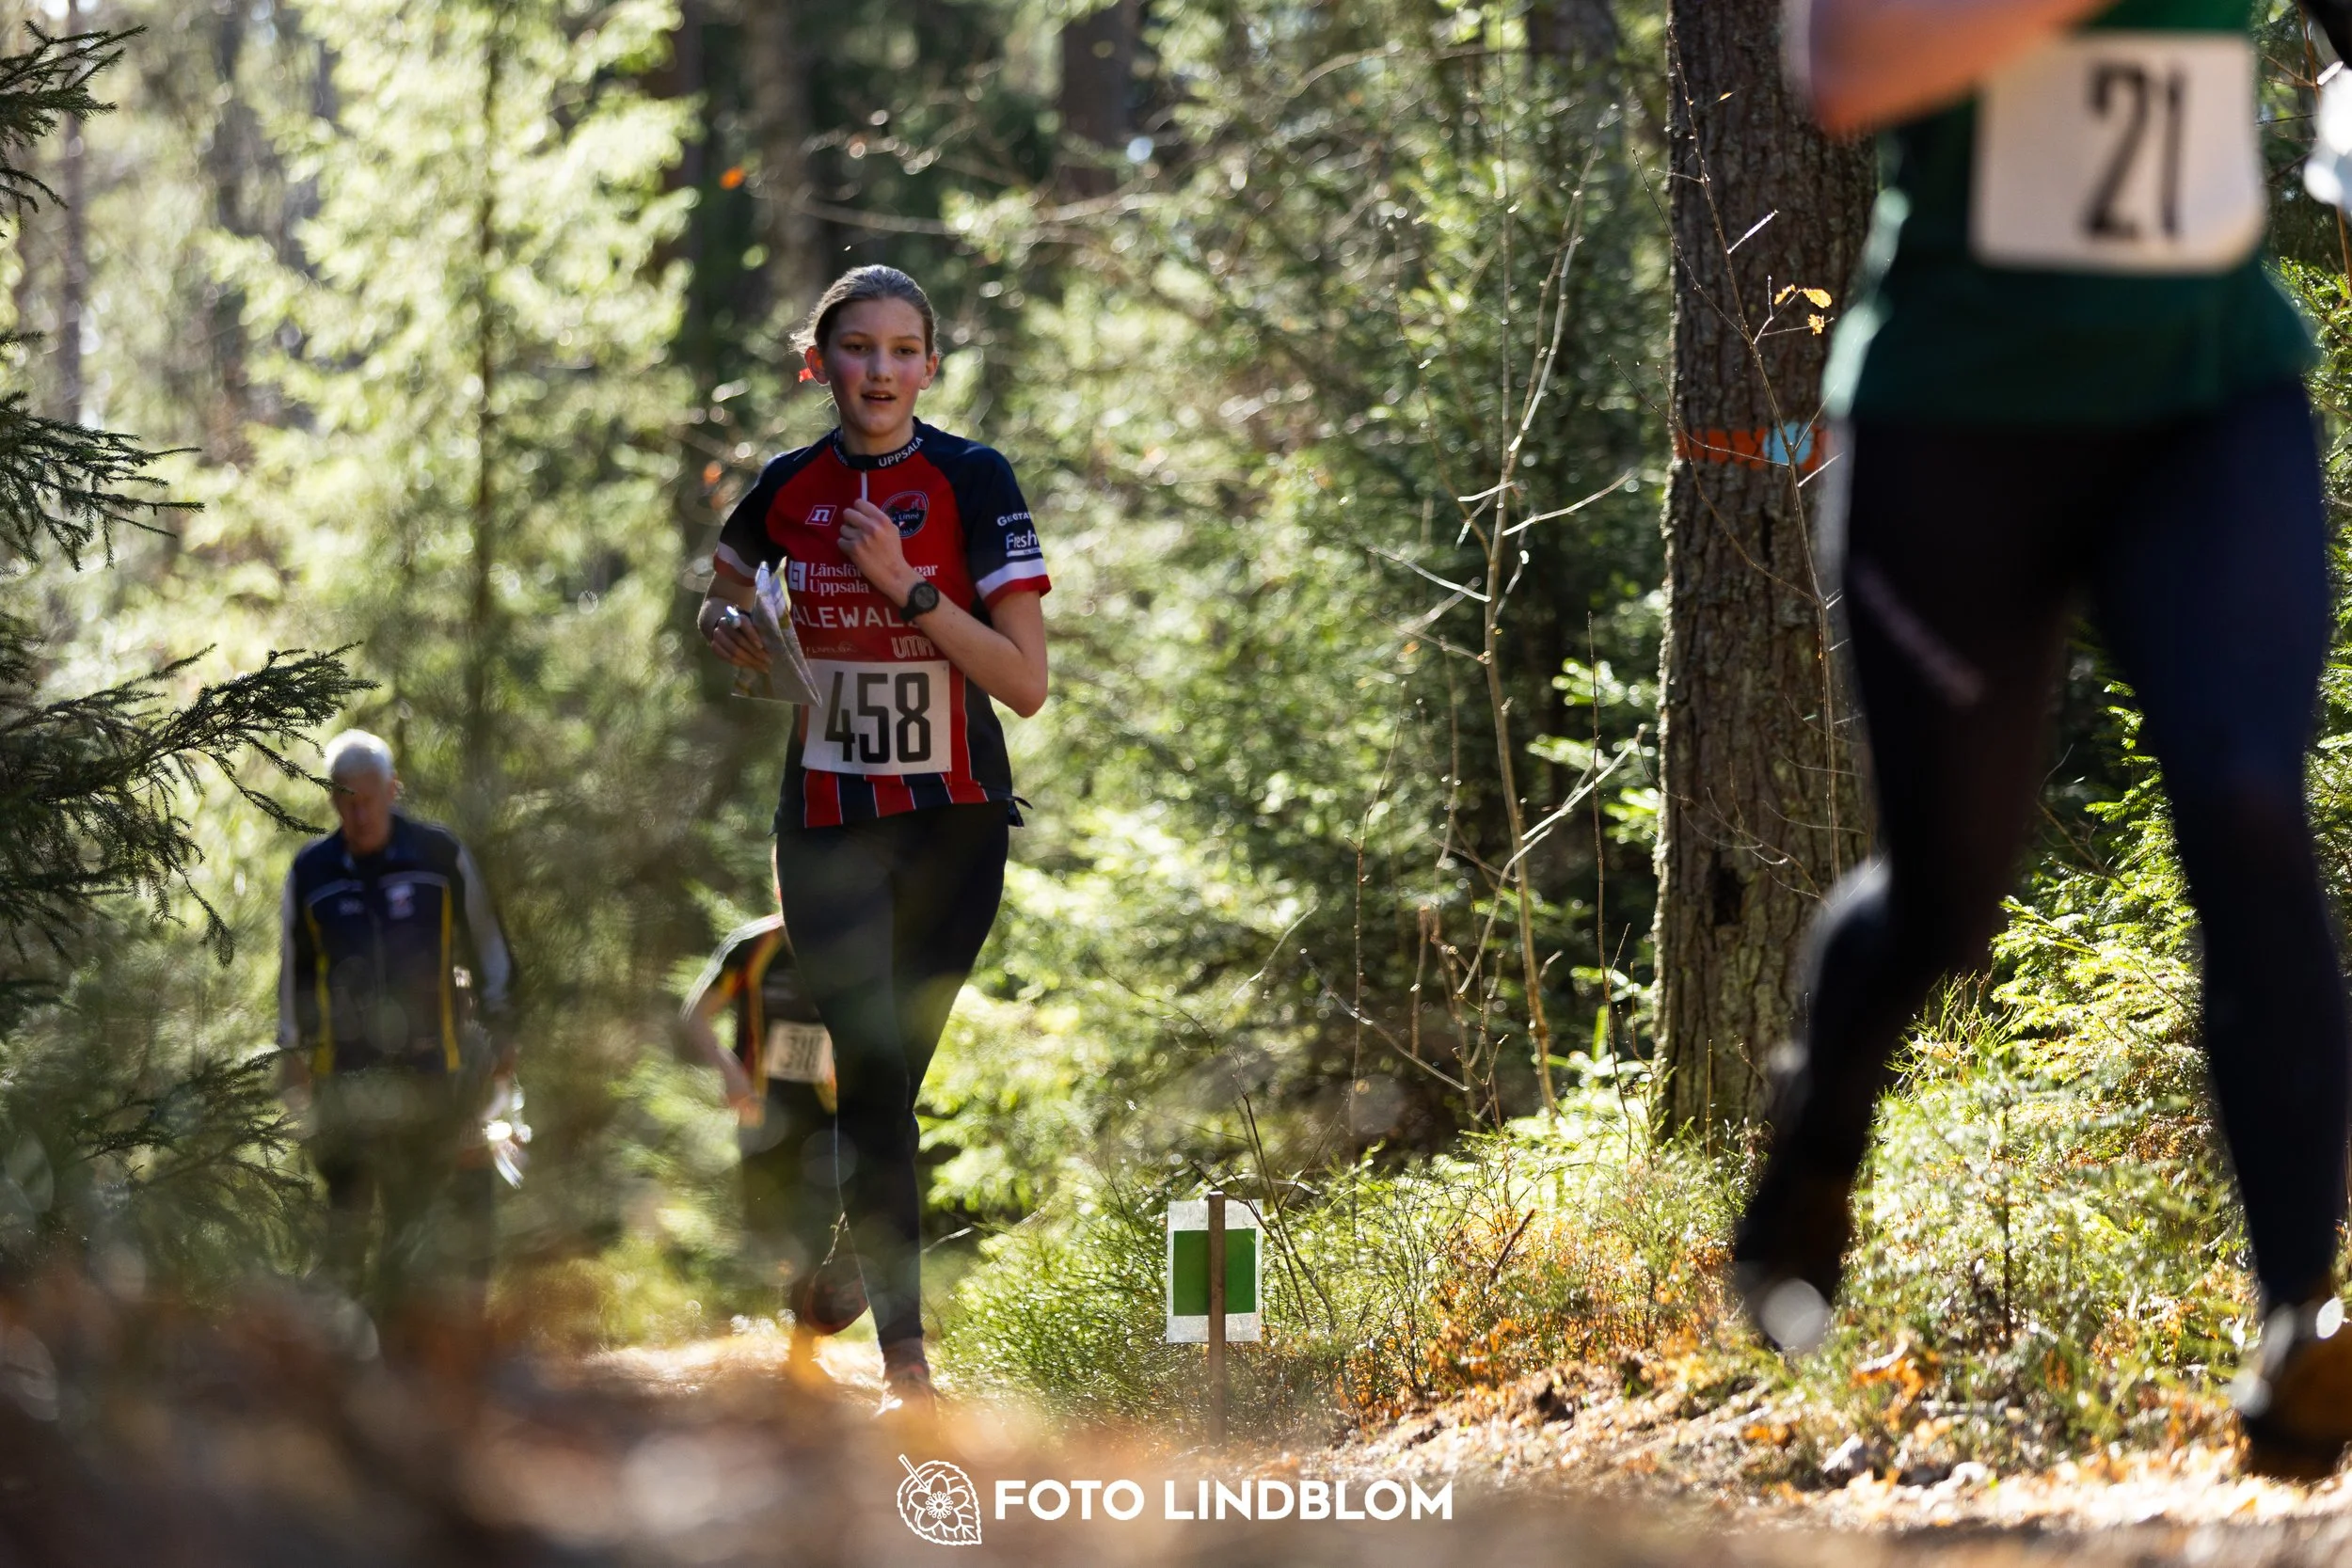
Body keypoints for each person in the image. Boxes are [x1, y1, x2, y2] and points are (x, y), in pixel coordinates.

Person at [1736, 0, 2352, 1479]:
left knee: (2252, 800)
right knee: (1949, 895)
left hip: (2211, 408)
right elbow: (1842, 68)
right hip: (1957, 427)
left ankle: (2298, 1313)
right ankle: (1817, 1147)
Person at [698, 264, 1050, 1414]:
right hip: (827, 823)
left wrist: (904, 591)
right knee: (872, 1075)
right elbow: (726, 577)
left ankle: (851, 1252)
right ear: (821, 361)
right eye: (858, 348)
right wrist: (731, 624)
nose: (881, 371)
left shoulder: (971, 479)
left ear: (929, 367)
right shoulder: (787, 486)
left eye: (904, 350)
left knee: (896, 1075)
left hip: (953, 822)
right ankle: (906, 1362)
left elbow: (1025, 681)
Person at [278, 731, 516, 1331]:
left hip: (433, 1068)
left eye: (369, 797)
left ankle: (410, 1346)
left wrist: (502, 1032)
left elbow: (489, 950)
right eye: (344, 800)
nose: (358, 812)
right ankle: (347, 1349)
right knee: (347, 1213)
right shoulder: (312, 870)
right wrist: (291, 1053)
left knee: (416, 1211)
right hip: (344, 1073)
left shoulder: (439, 855)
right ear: (332, 801)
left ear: (393, 791)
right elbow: (294, 972)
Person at [678, 888, 869, 1361]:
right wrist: (732, 1074)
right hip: (762, 1109)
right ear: (781, 886)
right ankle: (796, 1300)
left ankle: (805, 1333)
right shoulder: (752, 947)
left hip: (826, 1112)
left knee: (816, 1215)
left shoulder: (844, 951)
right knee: (762, 1218)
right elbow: (696, 1017)